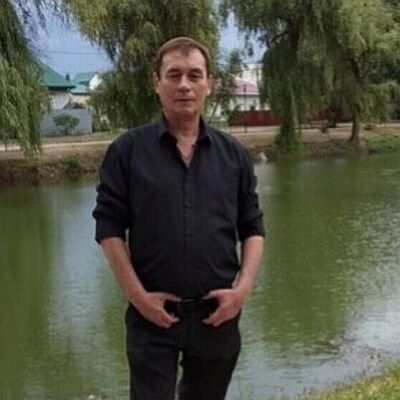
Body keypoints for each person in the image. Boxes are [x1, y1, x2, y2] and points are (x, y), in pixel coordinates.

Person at [92, 36, 265, 400]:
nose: (184, 85)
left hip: (217, 314)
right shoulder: (127, 152)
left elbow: (252, 226)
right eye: (174, 75)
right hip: (151, 316)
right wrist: (137, 296)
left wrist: (243, 289)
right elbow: (109, 229)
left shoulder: (233, 155)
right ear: (157, 83)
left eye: (194, 75)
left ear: (209, 84)